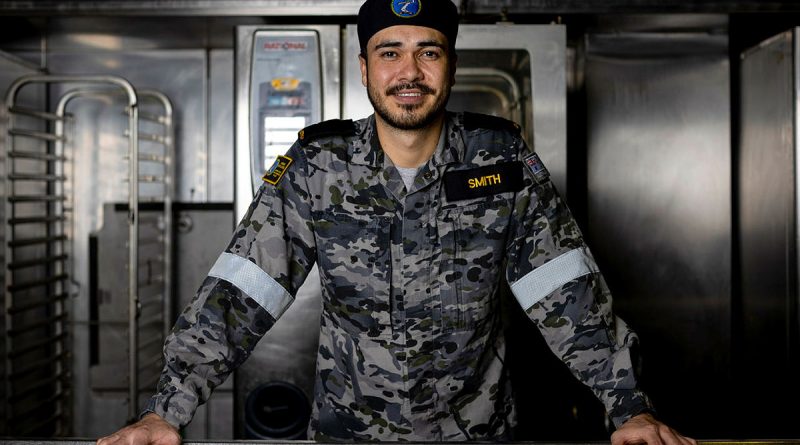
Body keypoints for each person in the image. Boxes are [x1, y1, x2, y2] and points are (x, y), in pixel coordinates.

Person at [98, 0, 697, 444]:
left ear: (451, 66)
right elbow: (243, 290)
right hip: (348, 438)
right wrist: (166, 410)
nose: (409, 71)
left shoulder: (503, 163)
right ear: (364, 69)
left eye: (427, 51)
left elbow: (567, 295)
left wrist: (628, 408)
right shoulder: (317, 166)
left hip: (477, 437)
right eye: (390, 52)